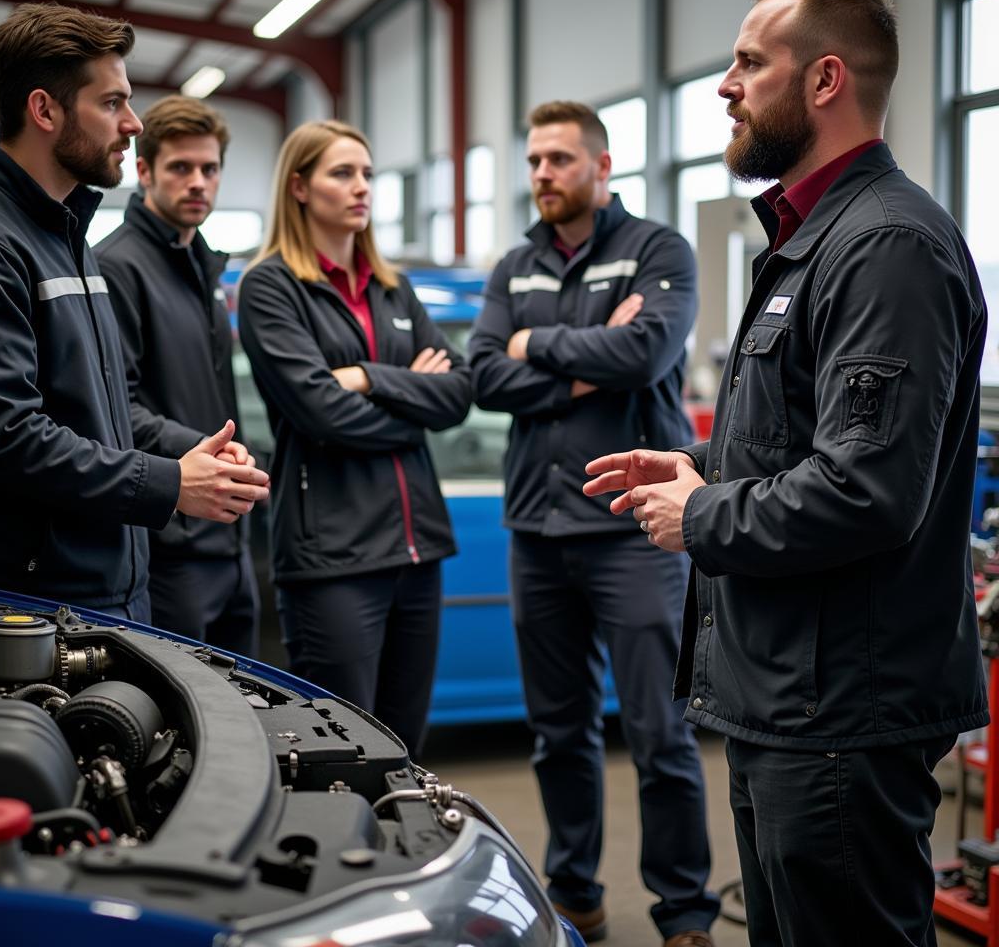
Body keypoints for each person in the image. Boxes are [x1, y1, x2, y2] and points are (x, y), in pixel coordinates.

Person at [584, 0, 988, 947]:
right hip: (789, 696)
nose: (725, 84)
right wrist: (698, 467)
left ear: (824, 82)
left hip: (843, 705)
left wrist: (701, 516)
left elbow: (866, 488)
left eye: (748, 63)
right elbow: (811, 437)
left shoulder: (884, 244)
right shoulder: (812, 240)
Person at [467, 101, 719, 946]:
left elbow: (645, 354)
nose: (542, 174)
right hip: (537, 534)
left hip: (632, 533)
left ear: (601, 166)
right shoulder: (514, 264)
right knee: (557, 734)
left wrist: (532, 346)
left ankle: (684, 911)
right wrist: (578, 358)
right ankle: (574, 892)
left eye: (559, 160)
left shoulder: (657, 251)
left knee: (659, 734)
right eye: (534, 160)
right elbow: (482, 379)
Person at [0, 3, 270, 622]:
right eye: (112, 103)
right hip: (42, 605)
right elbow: (5, 438)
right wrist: (169, 483)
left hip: (112, 585)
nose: (134, 123)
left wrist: (190, 465)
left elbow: (104, 413)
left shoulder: (68, 236)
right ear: (45, 110)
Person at [238, 120, 471, 757]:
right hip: (332, 560)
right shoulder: (271, 286)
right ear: (300, 188)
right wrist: (409, 402)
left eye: (367, 173)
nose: (361, 187)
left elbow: (457, 394)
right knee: (344, 753)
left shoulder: (393, 287)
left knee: (404, 751)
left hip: (416, 552)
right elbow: (320, 414)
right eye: (343, 173)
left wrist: (367, 377)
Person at [96, 96, 260, 655]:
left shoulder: (205, 266)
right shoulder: (117, 266)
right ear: (144, 171)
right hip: (170, 542)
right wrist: (205, 449)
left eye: (209, 169)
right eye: (180, 168)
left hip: (230, 536)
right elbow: (118, 408)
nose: (198, 183)